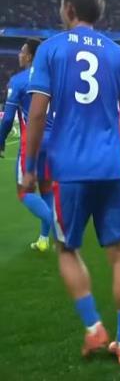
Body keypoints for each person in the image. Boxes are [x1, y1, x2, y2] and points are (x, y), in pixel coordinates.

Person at [23, 0, 120, 365]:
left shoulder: (51, 50)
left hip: (69, 171)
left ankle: (94, 327)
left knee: (67, 249)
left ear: (69, 8)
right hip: (111, 168)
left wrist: (30, 167)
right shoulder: (118, 53)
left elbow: (37, 113)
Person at [0, 38, 53, 252]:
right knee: (46, 189)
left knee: (24, 192)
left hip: (31, 143)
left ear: (30, 56)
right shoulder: (52, 77)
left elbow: (7, 119)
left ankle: (58, 226)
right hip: (53, 142)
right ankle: (44, 239)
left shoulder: (19, 81)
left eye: (22, 51)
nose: (19, 55)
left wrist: (1, 142)